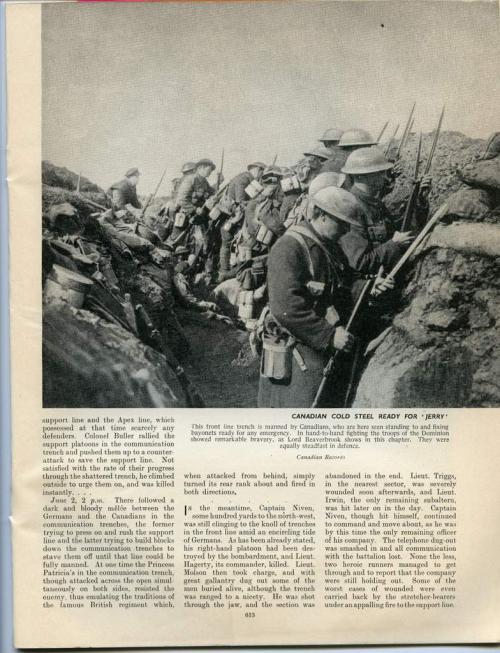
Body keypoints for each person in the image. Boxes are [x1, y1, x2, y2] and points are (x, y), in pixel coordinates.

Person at [257, 186, 393, 408]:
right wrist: (328, 336)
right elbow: (286, 308)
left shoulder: (329, 245)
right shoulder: (289, 247)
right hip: (299, 345)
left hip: (324, 340)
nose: (346, 230)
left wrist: (370, 287)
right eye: (341, 223)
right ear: (320, 216)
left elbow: (343, 284)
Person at [339, 146, 430, 275]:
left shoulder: (374, 202)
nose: (386, 178)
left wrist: (420, 199)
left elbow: (399, 228)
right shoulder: (351, 209)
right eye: (380, 173)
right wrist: (394, 244)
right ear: (362, 176)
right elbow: (360, 263)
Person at [218, 162, 267, 277]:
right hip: (233, 218)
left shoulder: (246, 178)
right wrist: (258, 201)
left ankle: (228, 271)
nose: (261, 175)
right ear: (256, 169)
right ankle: (226, 271)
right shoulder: (244, 179)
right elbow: (240, 201)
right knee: (228, 243)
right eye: (261, 171)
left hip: (234, 217)